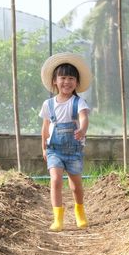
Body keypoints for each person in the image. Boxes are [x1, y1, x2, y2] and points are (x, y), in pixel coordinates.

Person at [39, 52, 92, 232]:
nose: (66, 82)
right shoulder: (48, 104)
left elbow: (83, 118)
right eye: (62, 77)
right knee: (55, 180)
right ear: (55, 80)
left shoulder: (79, 102)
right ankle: (58, 219)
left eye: (71, 78)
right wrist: (44, 148)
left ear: (76, 82)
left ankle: (79, 211)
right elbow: (45, 127)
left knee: (76, 185)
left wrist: (82, 130)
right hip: (54, 149)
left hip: (73, 151)